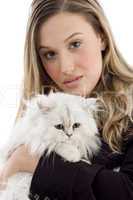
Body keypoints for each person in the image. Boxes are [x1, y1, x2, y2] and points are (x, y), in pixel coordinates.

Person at [0, 0, 133, 199]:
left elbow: (128, 191)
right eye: (50, 54)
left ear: (102, 38)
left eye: (75, 44)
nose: (66, 68)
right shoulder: (41, 111)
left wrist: (36, 165)